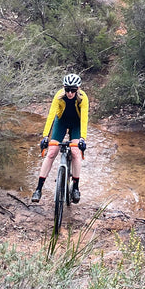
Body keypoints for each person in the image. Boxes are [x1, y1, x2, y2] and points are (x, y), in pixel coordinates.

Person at [32, 73, 88, 204]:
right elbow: (51, 115)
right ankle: (38, 189)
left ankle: (75, 187)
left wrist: (82, 139)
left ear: (78, 89)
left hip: (77, 123)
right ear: (64, 87)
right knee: (51, 152)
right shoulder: (59, 96)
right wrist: (45, 136)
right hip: (61, 121)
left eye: (73, 90)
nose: (69, 93)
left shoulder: (83, 98)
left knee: (75, 152)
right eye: (67, 89)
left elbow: (84, 118)